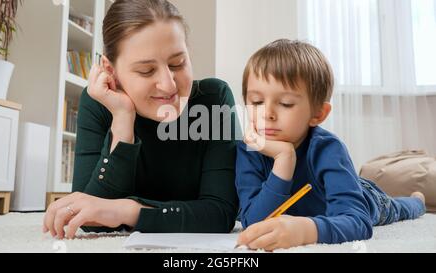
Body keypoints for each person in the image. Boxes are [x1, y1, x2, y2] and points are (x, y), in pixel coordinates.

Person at [43, 0, 239, 239]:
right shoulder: (98, 103)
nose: (168, 85)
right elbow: (89, 218)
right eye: (146, 71)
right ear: (110, 69)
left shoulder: (213, 98)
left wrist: (127, 210)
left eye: (178, 63)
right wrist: (123, 118)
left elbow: (220, 213)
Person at [235, 39, 426, 250]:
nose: (267, 114)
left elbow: (358, 221)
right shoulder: (249, 149)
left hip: (366, 197)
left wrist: (306, 231)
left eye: (285, 103)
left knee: (397, 208)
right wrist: (284, 160)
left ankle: (417, 200)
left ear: (318, 114)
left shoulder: (328, 149)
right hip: (321, 200)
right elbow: (253, 222)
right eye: (257, 102)